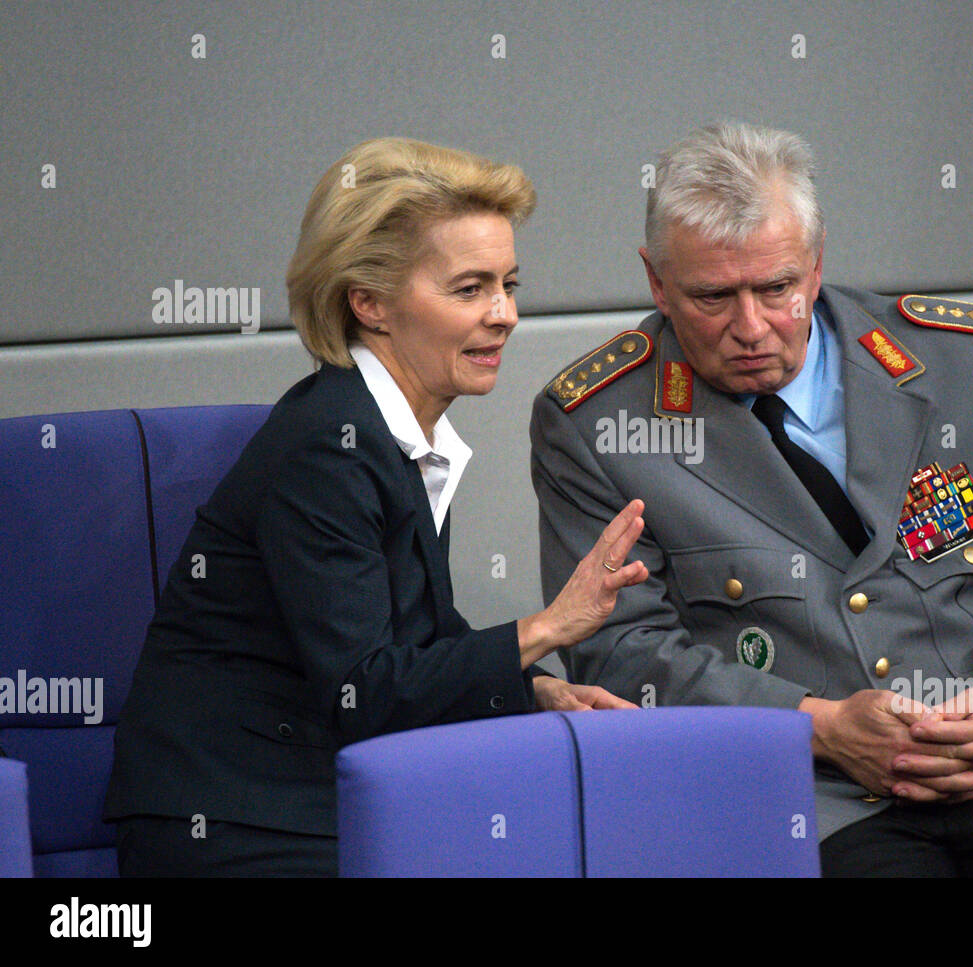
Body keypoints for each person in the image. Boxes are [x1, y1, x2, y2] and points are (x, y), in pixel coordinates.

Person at [530, 121, 973, 876]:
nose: (750, 326)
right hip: (810, 800)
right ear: (656, 282)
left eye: (776, 288)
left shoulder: (969, 361)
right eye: (713, 296)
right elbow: (619, 651)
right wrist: (817, 728)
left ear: (816, 266)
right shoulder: (598, 424)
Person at [104, 137, 649, 876]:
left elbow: (415, 637)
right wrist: (549, 625)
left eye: (509, 284)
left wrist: (536, 688)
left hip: (321, 798)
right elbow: (366, 689)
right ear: (369, 302)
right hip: (234, 818)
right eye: (469, 289)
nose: (505, 315)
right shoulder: (328, 443)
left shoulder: (389, 429)